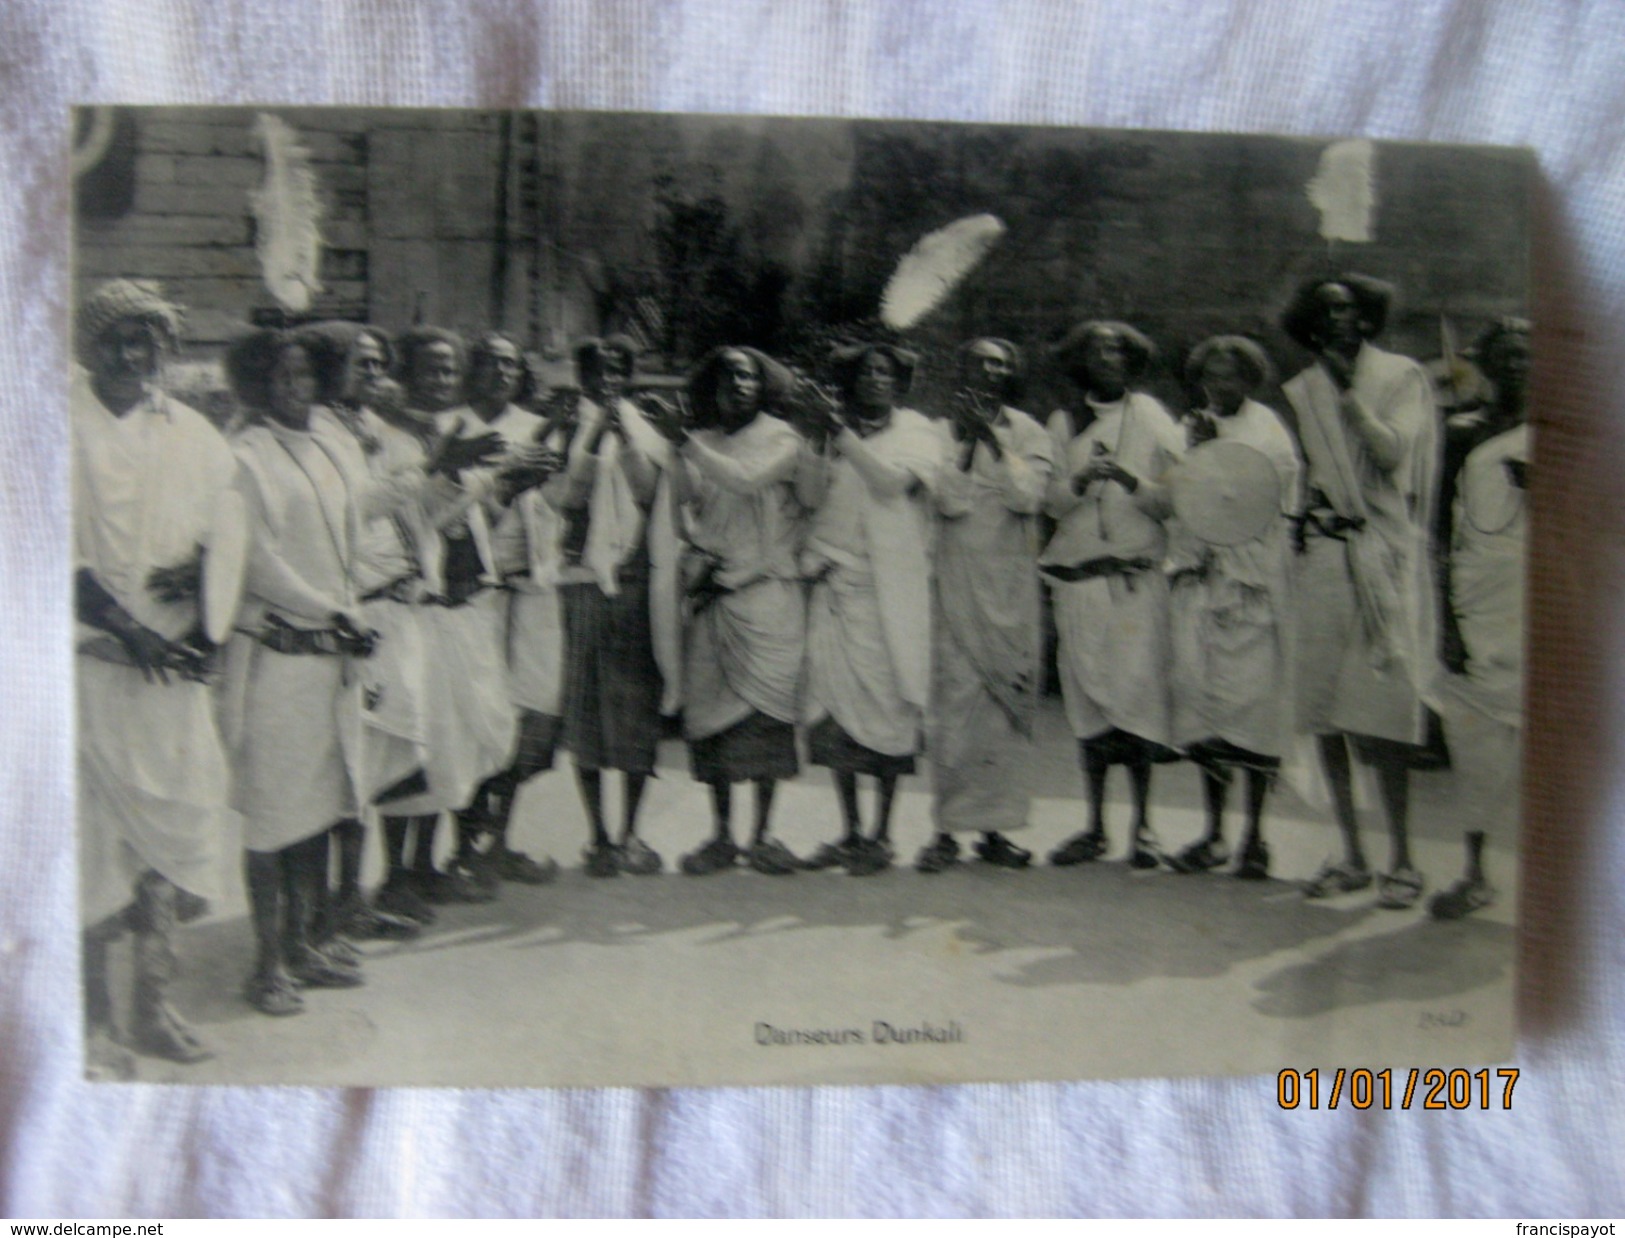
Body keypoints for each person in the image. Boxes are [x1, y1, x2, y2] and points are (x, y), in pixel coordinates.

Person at [74, 280, 238, 1073]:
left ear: (167, 349)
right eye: (116, 340)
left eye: (147, 340)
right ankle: (92, 1022)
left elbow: (234, 533)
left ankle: (153, 1005)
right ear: (86, 346)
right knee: (91, 848)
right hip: (88, 670)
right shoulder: (48, 430)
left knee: (169, 842)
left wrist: (211, 575)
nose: (132, 356)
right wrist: (126, 630)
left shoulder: (198, 436)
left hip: (173, 675)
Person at [220, 330, 378, 1016]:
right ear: (255, 384)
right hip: (279, 661)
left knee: (318, 814)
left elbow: (364, 517)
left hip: (330, 663)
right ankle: (267, 964)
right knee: (271, 820)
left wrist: (442, 478)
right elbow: (256, 561)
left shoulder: (333, 444)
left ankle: (308, 943)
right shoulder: (244, 457)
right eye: (279, 375)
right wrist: (332, 609)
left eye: (304, 373)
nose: (295, 385)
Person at [1281, 275, 1440, 908]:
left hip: (1383, 556)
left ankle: (1402, 861)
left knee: (1382, 715)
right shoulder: (1304, 388)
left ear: (1367, 317)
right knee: (1324, 712)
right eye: (1325, 310)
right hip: (1325, 554)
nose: (1338, 317)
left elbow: (1393, 454)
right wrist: (1304, 518)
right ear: (1313, 324)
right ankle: (1352, 855)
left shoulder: (1402, 376)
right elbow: (1314, 473)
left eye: (1348, 307)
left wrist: (1350, 393)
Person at [369, 327, 516, 908]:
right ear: (406, 376)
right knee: (412, 741)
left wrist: (497, 486)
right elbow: (410, 513)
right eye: (429, 370)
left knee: (451, 743)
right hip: (413, 610)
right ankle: (396, 875)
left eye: (449, 372)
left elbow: (473, 516)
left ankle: (428, 865)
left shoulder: (457, 431)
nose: (440, 381)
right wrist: (448, 473)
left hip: (461, 606)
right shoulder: (387, 438)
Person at [1041, 321, 1184, 869]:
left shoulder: (1148, 416)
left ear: (1132, 361)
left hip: (1135, 583)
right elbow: (1050, 502)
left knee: (1137, 701)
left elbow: (1174, 500)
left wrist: (1128, 480)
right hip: (1080, 583)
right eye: (1097, 349)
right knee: (1090, 706)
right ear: (1081, 359)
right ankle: (1095, 826)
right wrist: (1079, 483)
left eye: (1119, 349)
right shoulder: (1064, 421)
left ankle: (1144, 826)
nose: (1109, 357)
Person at [800, 343, 945, 876]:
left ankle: (882, 834)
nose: (875, 380)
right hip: (836, 587)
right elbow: (811, 499)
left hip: (892, 593)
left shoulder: (918, 432)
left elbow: (891, 485)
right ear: (849, 382)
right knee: (834, 710)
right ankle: (850, 831)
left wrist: (840, 433)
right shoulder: (830, 431)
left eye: (885, 372)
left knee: (888, 708)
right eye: (864, 372)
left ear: (900, 383)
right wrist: (819, 440)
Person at [666, 346, 809, 876]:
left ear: (763, 383)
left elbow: (746, 479)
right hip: (712, 595)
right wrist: (673, 453)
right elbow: (683, 504)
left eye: (747, 375)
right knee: (711, 720)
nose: (737, 384)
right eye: (726, 377)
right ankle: (722, 836)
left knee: (767, 716)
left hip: (767, 597)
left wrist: (683, 445)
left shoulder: (783, 439)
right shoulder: (699, 441)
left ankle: (765, 835)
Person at [915, 339, 1055, 874]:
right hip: (954, 586)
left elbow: (1027, 497)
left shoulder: (1030, 432)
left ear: (1009, 375)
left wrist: (993, 439)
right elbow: (949, 501)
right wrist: (969, 445)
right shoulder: (936, 432)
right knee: (952, 708)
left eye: (1000, 364)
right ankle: (947, 832)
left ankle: (996, 832)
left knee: (1005, 710)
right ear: (961, 371)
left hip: (1011, 591)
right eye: (979, 363)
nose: (990, 372)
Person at [1166, 336, 1301, 879]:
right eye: (1211, 376)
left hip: (1254, 585)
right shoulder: (1192, 425)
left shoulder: (1268, 431)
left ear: (1249, 380)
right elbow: (1181, 500)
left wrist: (1208, 453)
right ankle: (1215, 833)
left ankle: (1256, 837)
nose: (1219, 386)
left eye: (1230, 376)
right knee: (1208, 713)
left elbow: (1260, 499)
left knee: (1256, 712)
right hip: (1204, 582)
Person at [556, 336, 682, 877]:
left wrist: (624, 431)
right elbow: (568, 500)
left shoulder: (645, 427)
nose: (607, 379)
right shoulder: (565, 425)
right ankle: (598, 838)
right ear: (583, 376)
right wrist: (591, 432)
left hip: (634, 587)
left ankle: (631, 832)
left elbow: (653, 492)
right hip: (584, 583)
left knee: (635, 714)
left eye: (616, 370)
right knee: (585, 711)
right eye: (596, 370)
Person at [445, 332, 564, 889]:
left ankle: (500, 841)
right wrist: (506, 492)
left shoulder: (534, 427)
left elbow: (562, 508)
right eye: (488, 361)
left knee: (526, 716)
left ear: (522, 374)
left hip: (534, 593)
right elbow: (448, 517)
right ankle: (463, 846)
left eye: (509, 363)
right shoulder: (453, 430)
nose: (498, 371)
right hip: (475, 596)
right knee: (475, 717)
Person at [1429, 318, 1530, 920]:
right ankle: (1474, 874)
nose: (1519, 364)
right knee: (1475, 749)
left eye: (1530, 354)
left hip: (1550, 604)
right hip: (1478, 603)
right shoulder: (1462, 432)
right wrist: (1444, 621)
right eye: (1508, 355)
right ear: (1487, 364)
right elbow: (1438, 533)